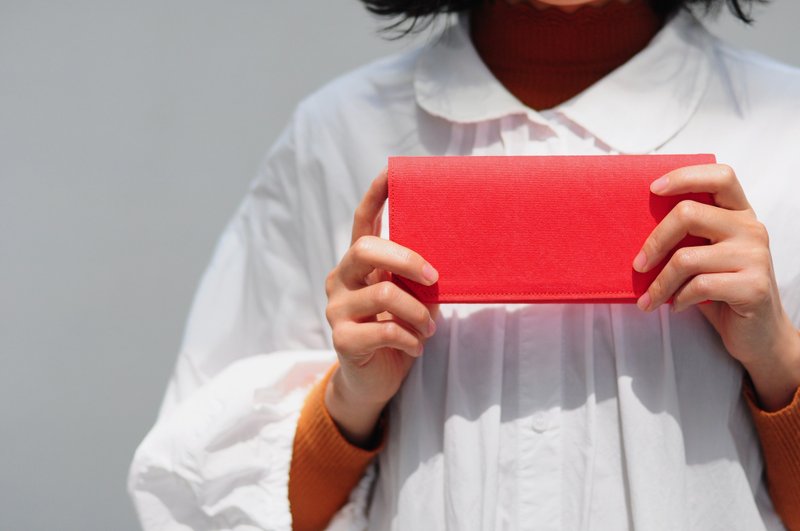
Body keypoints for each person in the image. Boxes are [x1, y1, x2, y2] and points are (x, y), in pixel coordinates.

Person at [128, 0, 800, 529]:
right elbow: (205, 506)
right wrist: (348, 403)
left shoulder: (785, 132)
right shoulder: (338, 134)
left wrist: (779, 363)